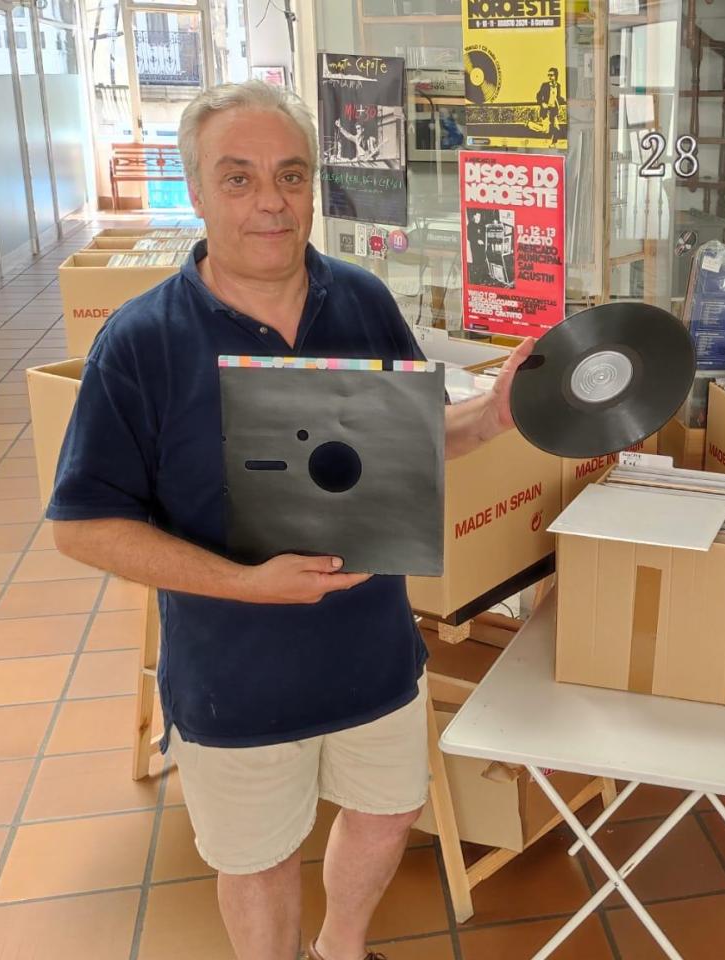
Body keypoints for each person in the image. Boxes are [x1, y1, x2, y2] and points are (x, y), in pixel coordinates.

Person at [49, 80, 532, 960]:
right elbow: (81, 525)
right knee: (262, 861)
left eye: (291, 175)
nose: (270, 201)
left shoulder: (360, 301)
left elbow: (412, 437)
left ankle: (340, 949)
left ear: (314, 186)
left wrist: (494, 415)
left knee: (387, 814)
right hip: (236, 669)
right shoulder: (141, 341)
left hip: (374, 648)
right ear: (194, 193)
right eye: (237, 179)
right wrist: (243, 584)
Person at [536, 66, 562, 145]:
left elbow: (558, 97)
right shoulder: (545, 85)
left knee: (557, 127)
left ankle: (553, 143)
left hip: (553, 110)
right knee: (545, 130)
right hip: (546, 110)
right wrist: (542, 103)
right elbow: (538, 95)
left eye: (552, 75)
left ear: (556, 76)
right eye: (549, 75)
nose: (550, 77)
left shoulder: (558, 86)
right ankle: (529, 124)